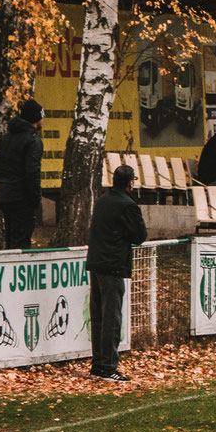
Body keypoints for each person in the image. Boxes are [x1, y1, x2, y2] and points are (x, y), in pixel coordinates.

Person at [87, 164, 147, 382]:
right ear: (131, 182)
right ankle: (107, 367)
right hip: (113, 264)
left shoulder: (103, 199)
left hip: (96, 262)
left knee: (99, 317)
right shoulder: (127, 205)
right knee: (111, 317)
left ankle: (98, 364)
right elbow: (140, 235)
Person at [0, 99, 45, 249]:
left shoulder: (5, 138)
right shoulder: (33, 141)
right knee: (22, 240)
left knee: (11, 238)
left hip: (5, 195)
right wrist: (35, 197)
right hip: (23, 197)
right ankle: (20, 269)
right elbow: (32, 172)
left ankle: (9, 266)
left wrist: (3, 186)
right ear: (36, 118)